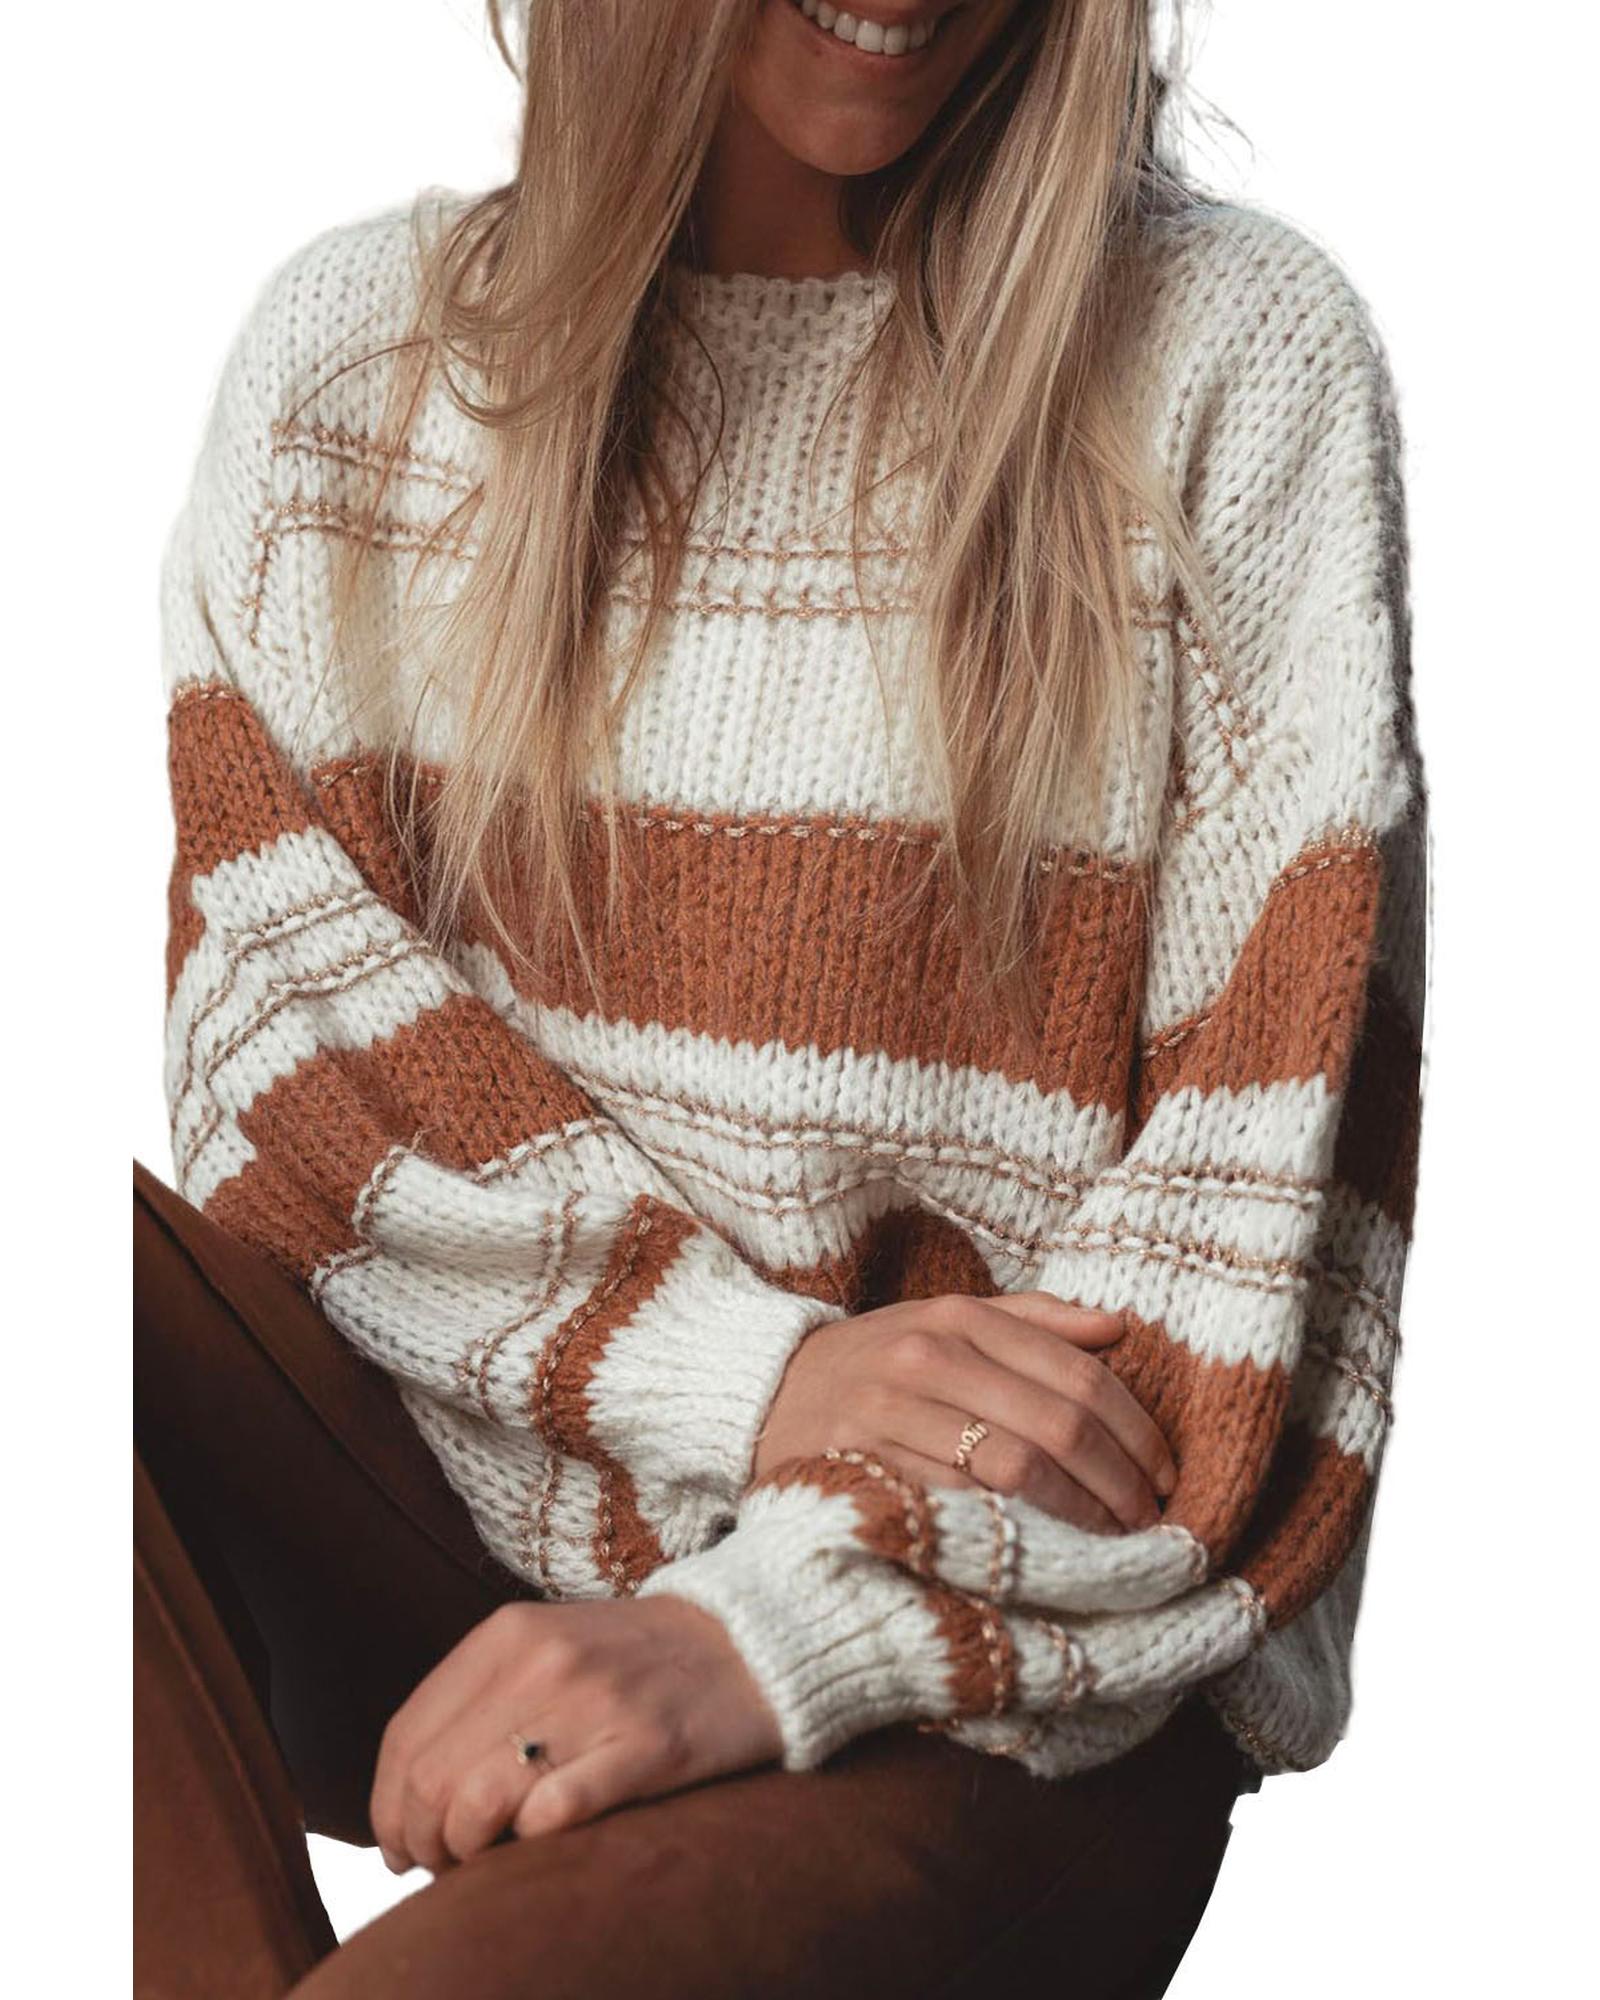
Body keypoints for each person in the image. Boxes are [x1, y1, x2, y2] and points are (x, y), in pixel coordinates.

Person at [134, 2, 1428, 1994]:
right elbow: (291, 1095)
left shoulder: (1225, 361)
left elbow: (1256, 1238)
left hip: (995, 1649)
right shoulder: (355, 368)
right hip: (445, 1520)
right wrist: (744, 1377)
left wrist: (760, 1627)